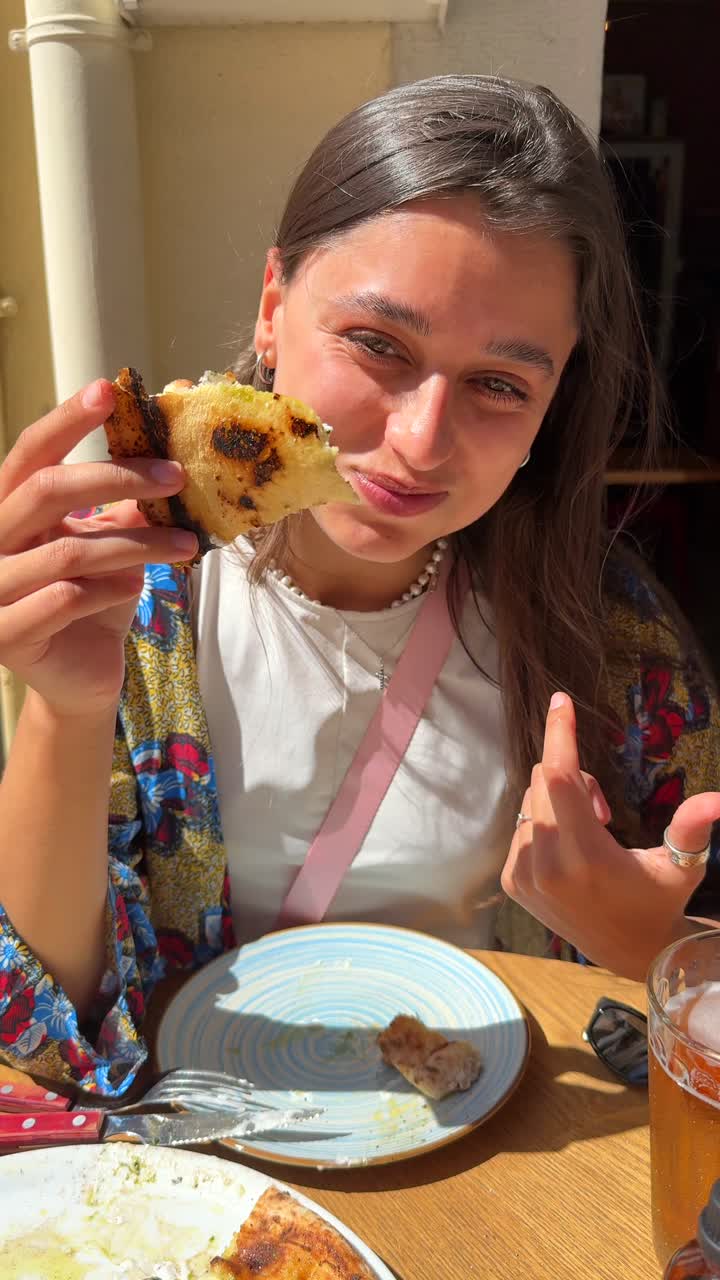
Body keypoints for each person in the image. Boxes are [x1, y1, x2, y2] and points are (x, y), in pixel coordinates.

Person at [0, 74, 718, 1096]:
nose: (420, 441)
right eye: (379, 344)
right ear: (273, 305)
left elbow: (697, 969)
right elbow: (44, 1031)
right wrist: (65, 711)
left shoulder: (605, 632)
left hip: (493, 1169)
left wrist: (657, 945)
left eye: (499, 384)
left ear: (554, 401)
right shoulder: (143, 593)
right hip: (206, 1174)